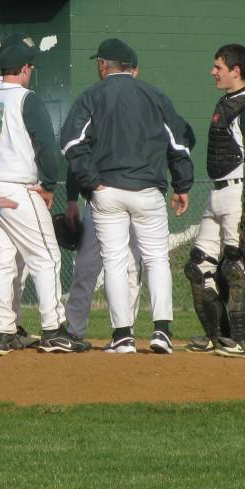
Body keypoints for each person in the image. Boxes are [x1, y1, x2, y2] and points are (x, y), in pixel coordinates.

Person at [59, 37, 195, 354]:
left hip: (107, 192)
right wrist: (182, 185)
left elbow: (70, 142)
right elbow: (180, 143)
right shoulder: (155, 95)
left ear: (105, 65)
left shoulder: (92, 95)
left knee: (115, 262)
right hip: (148, 191)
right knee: (157, 259)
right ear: (132, 68)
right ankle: (162, 332)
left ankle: (123, 336)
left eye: (99, 62)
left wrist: (90, 181)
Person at [0, 37, 88, 354]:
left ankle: (3, 330)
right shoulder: (26, 99)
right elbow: (47, 147)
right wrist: (49, 184)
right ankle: (52, 329)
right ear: (24, 69)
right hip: (18, 188)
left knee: (1, 262)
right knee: (46, 257)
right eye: (30, 66)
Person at [184, 44, 245, 359]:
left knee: (237, 267)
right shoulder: (227, 103)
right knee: (198, 266)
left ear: (236, 70)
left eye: (218, 66)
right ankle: (217, 336)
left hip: (241, 193)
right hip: (218, 192)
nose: (213, 71)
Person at [63, 49, 143, 342]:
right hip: (100, 199)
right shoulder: (94, 101)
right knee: (87, 267)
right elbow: (77, 150)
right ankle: (74, 330)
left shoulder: (143, 106)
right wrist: (73, 197)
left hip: (131, 196)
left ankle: (125, 331)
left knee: (130, 266)